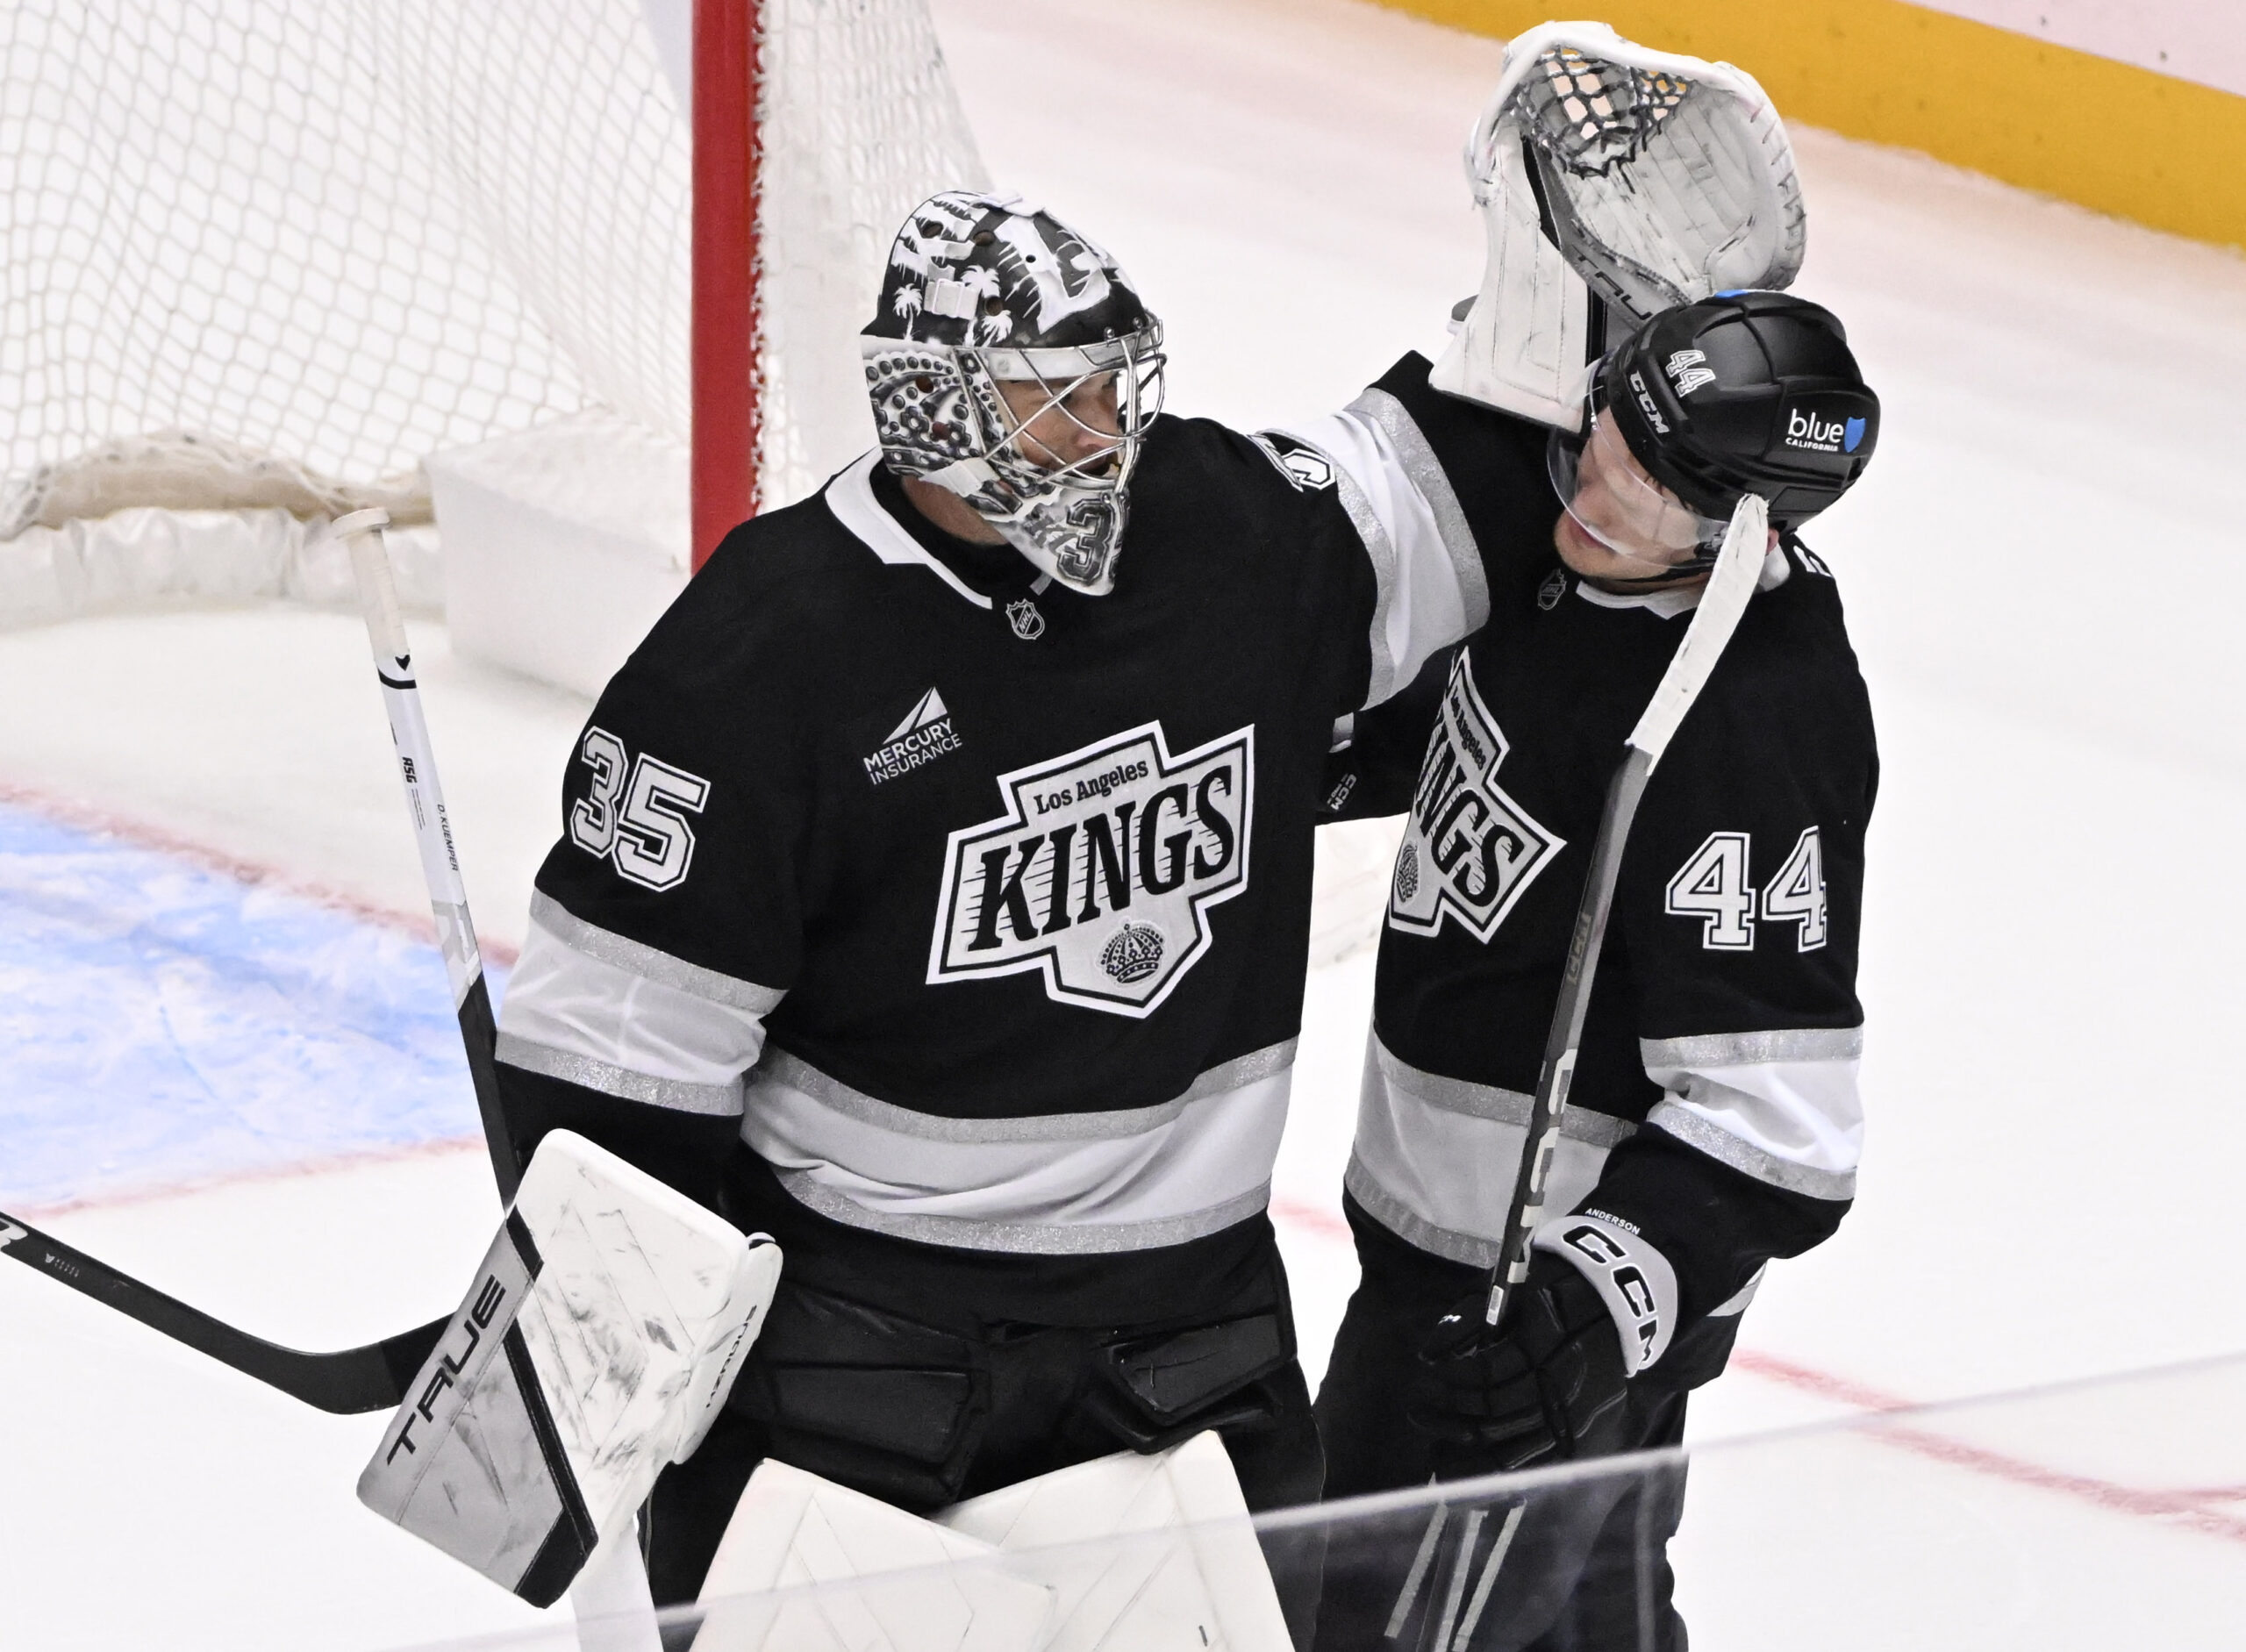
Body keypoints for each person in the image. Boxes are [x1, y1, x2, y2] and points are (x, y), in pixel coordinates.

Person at [487, 190, 1520, 1619]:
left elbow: (1438, 493)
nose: (1106, 431)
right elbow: (611, 1065)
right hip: (872, 1350)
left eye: (1114, 387)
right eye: (1056, 403)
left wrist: (1579, 297)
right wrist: (616, 1323)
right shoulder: (762, 653)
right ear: (930, 408)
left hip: (1191, 1327)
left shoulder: (1221, 526)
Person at [1311, 290, 1882, 1650]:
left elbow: (1778, 1124)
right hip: (1435, 1277)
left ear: (1750, 525)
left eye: (1655, 472)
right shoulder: (1576, 561)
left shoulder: (1754, 720)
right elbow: (1465, 742)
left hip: (1529, 1329)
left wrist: (1588, 1306)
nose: (1597, 474)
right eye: (1613, 422)